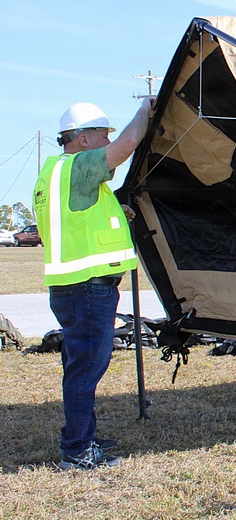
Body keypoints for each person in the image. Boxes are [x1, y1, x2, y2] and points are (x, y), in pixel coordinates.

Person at [34, 99, 154, 469]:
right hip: (87, 288)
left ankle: (83, 435)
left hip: (73, 288)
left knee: (81, 367)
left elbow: (79, 219)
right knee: (86, 370)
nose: (107, 140)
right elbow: (128, 145)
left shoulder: (55, 174)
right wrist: (146, 111)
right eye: (102, 134)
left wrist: (118, 208)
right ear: (82, 140)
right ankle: (77, 451)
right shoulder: (78, 166)